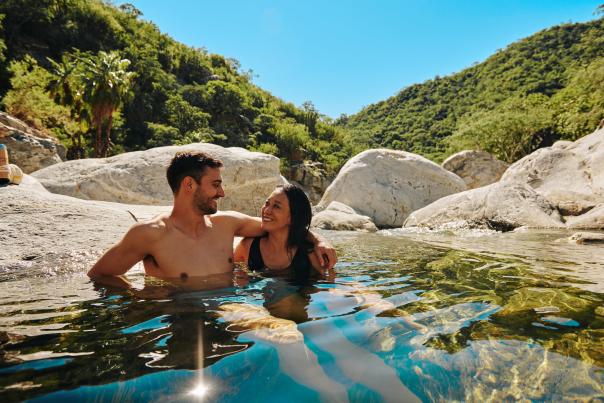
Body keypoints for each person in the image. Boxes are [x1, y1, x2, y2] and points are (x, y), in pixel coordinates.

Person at [87, 151, 336, 280]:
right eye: (215, 185)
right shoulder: (149, 235)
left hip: (229, 314)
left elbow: (280, 225)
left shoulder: (227, 225)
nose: (222, 192)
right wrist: (139, 298)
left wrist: (319, 241)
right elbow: (99, 275)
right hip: (180, 318)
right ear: (189, 185)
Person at [233, 184, 326, 276]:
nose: (266, 210)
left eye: (276, 206)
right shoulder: (247, 247)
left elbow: (328, 285)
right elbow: (236, 282)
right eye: (267, 203)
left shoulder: (310, 254)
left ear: (293, 217)